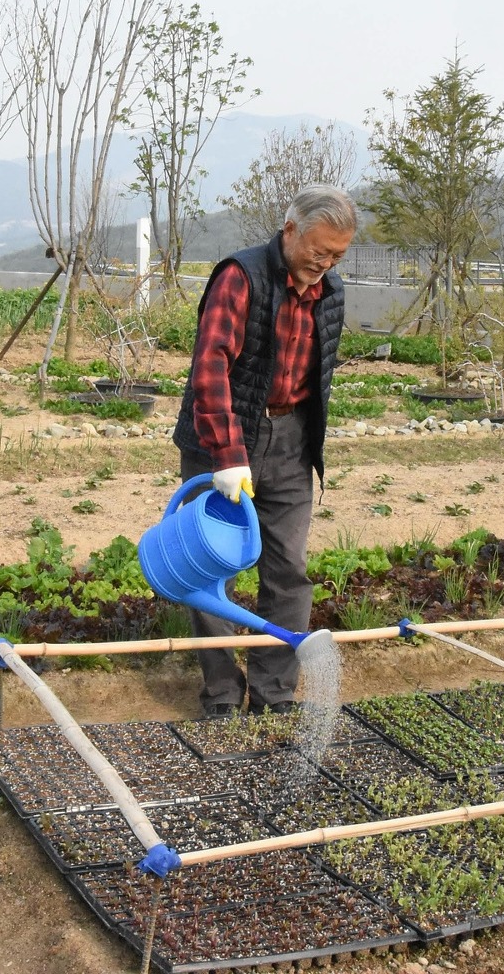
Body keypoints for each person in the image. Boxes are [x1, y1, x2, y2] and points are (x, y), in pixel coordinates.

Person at [173, 184, 357, 717]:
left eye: (337, 255)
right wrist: (228, 455)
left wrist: (304, 439)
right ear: (290, 229)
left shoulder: (332, 293)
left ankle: (274, 693)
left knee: (289, 569)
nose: (325, 263)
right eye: (318, 250)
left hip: (291, 441)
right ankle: (223, 694)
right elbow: (210, 368)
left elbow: (315, 376)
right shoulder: (241, 277)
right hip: (225, 437)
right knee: (211, 570)